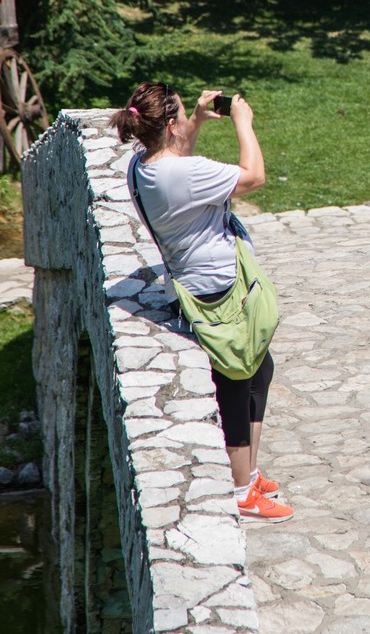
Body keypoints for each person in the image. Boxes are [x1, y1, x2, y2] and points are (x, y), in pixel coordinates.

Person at [110, 82, 292, 523]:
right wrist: (242, 124)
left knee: (259, 368)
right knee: (235, 383)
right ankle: (242, 490)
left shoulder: (143, 165)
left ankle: (249, 471)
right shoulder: (182, 176)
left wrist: (194, 120)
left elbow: (177, 159)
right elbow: (254, 177)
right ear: (167, 126)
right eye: (180, 121)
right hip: (217, 292)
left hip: (193, 282)